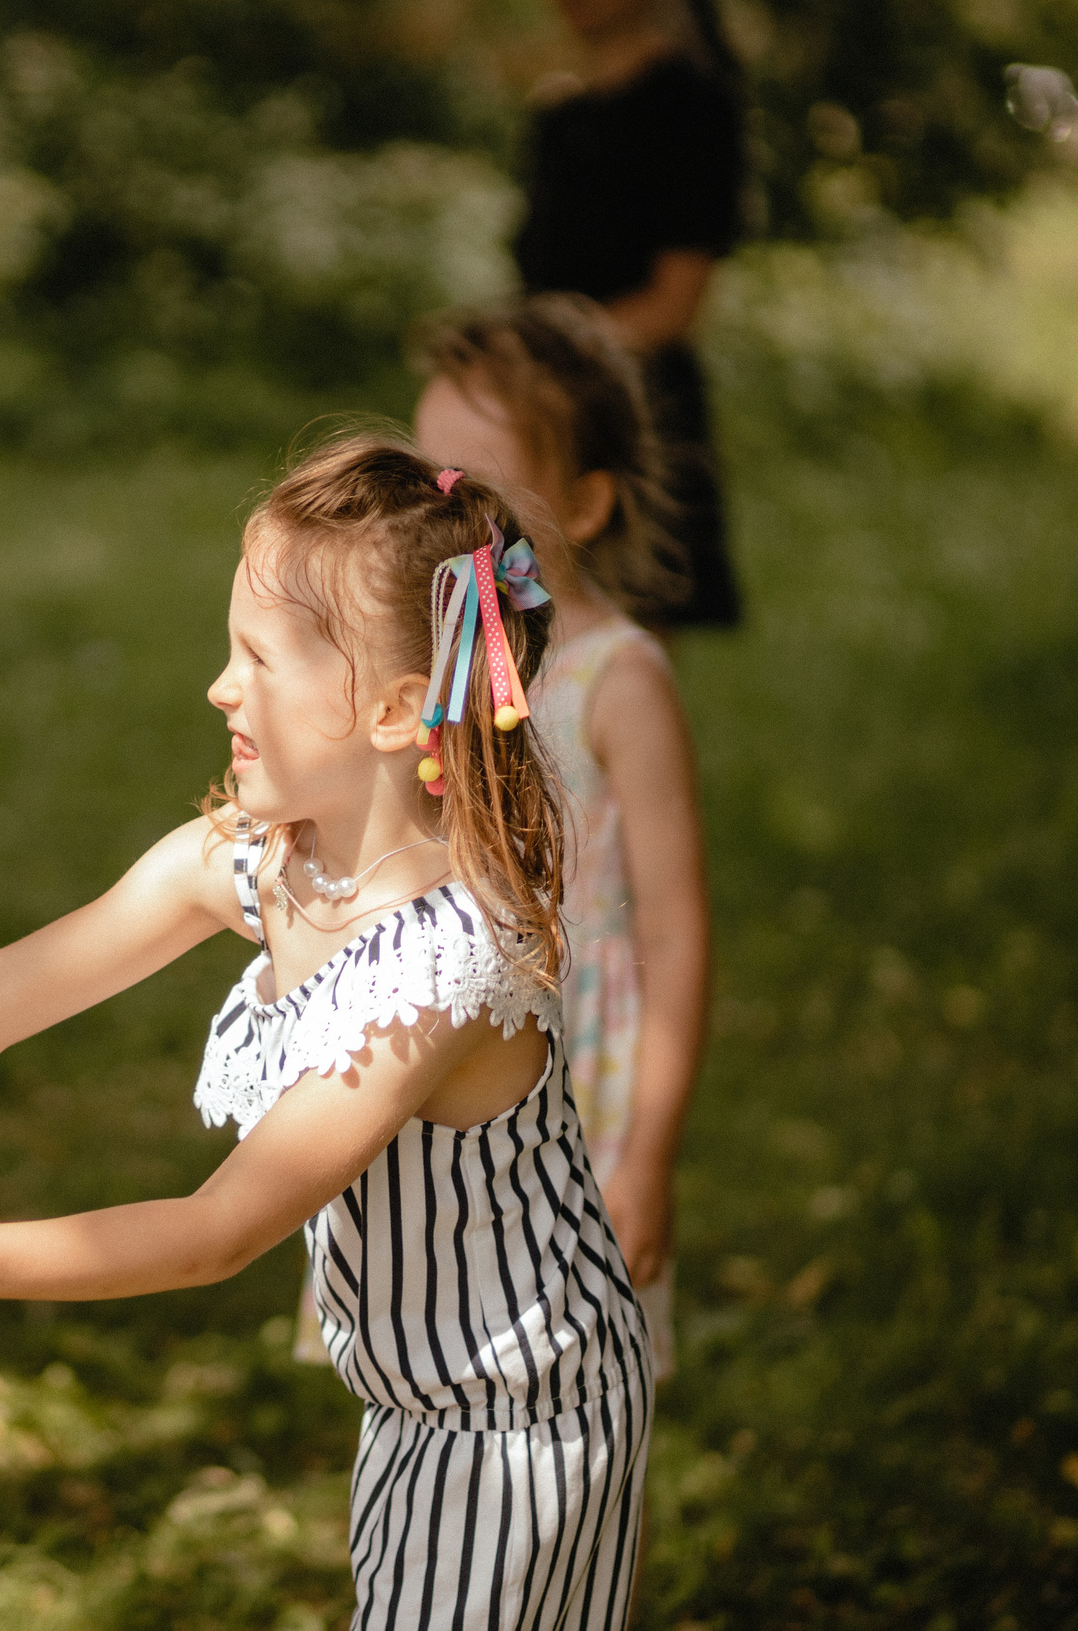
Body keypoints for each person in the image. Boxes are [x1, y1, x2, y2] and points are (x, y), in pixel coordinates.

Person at [0, 438, 656, 1629]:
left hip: (523, 1418)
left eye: (257, 658)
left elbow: (216, 1231)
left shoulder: (443, 965)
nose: (220, 686)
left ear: (394, 709)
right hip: (417, 1402)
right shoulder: (265, 864)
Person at [414, 295, 708, 1388]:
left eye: (475, 488)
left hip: (573, 1078)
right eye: (421, 480)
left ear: (582, 503)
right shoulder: (428, 656)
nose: (438, 513)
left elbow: (675, 935)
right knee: (429, 1341)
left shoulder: (615, 681)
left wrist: (648, 1152)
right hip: (439, 1052)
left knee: (573, 1371)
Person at [513, 0, 747, 628]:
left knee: (626, 660)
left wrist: (551, 349)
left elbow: (676, 303)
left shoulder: (691, 105)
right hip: (545, 405)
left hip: (638, 414)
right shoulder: (558, 113)